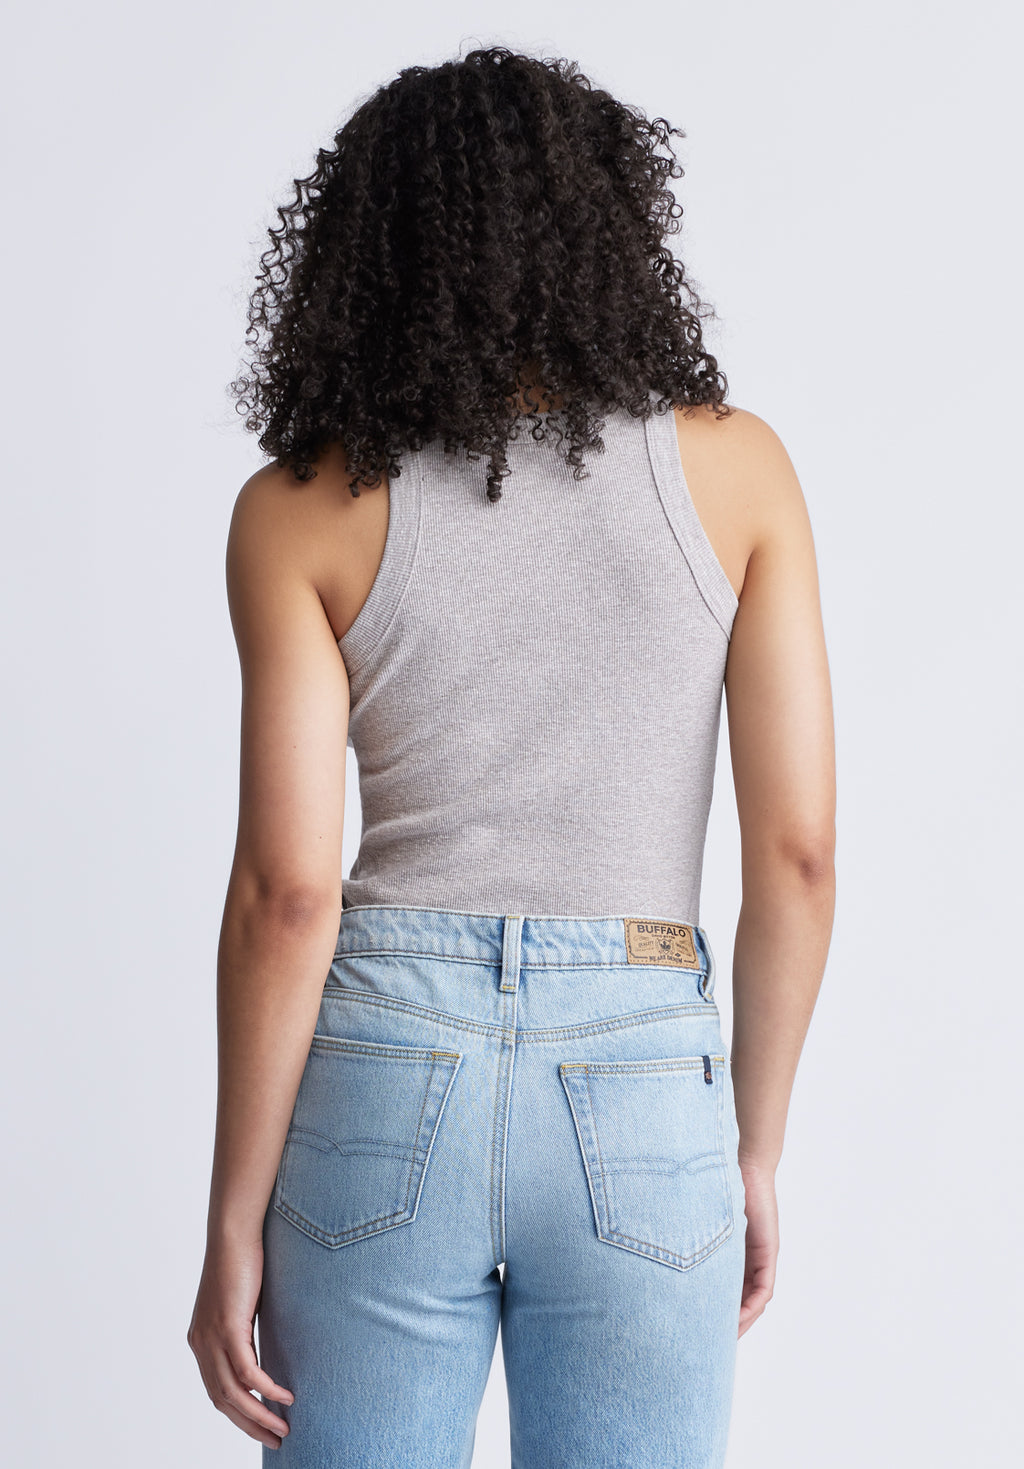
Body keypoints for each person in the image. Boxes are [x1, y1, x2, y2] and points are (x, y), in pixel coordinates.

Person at [187, 45, 836, 1469]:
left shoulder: (299, 508)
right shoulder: (739, 473)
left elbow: (285, 895)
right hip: (643, 1073)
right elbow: (798, 857)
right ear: (607, 230)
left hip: (382, 1063)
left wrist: (234, 1216)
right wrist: (753, 1147)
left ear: (367, 256)